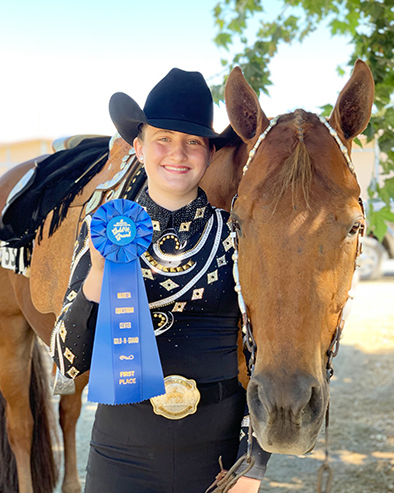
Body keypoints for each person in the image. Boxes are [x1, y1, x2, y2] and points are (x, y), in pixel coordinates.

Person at [50, 68, 271, 492]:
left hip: (219, 456)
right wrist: (98, 272)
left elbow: (267, 356)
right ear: (138, 146)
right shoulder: (105, 228)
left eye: (193, 142)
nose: (178, 153)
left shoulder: (238, 236)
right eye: (163, 139)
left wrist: (253, 465)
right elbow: (68, 359)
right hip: (121, 453)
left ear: (208, 153)